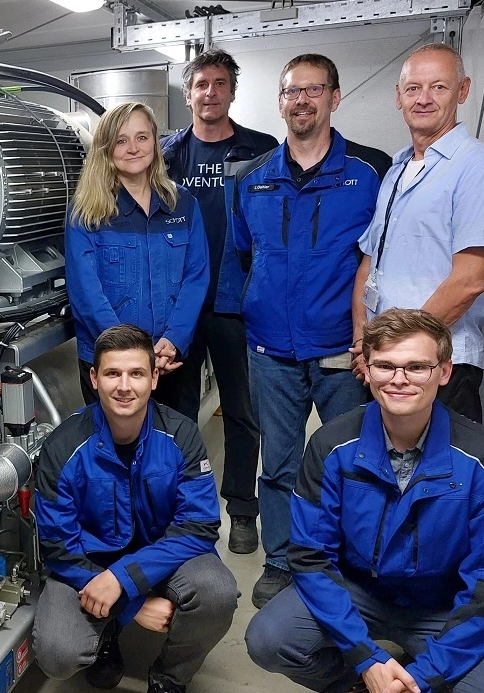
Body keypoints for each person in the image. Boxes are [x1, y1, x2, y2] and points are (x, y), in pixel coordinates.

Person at [245, 308, 484, 693]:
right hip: (359, 593)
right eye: (385, 365)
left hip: (444, 608)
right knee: (268, 639)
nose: (399, 378)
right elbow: (309, 556)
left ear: (444, 372)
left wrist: (424, 677)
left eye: (416, 366)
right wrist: (366, 661)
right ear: (364, 369)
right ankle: (348, 687)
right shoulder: (331, 447)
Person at [231, 54, 392, 607]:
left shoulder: (369, 173)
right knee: (277, 461)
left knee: (351, 463)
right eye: (290, 92)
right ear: (280, 102)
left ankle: (344, 562)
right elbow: (244, 253)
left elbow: (378, 259)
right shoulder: (253, 181)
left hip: (340, 352)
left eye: (312, 90)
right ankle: (279, 561)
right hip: (271, 350)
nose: (301, 101)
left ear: (334, 96)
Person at [33, 324, 238, 693]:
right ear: (93, 379)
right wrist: (131, 605)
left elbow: (199, 526)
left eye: (136, 374)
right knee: (57, 652)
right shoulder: (63, 447)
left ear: (154, 378)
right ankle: (104, 636)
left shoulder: (180, 435)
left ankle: (168, 682)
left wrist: (123, 581)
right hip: (87, 568)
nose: (124, 387)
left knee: (217, 592)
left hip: (165, 557)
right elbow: (58, 548)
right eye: (112, 374)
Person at [350, 44, 484, 425]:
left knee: (439, 479)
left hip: (440, 366)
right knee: (388, 477)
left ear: (463, 91)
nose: (423, 99)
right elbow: (369, 265)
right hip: (387, 365)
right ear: (398, 96)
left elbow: (469, 282)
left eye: (439, 87)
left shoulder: (480, 167)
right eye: (413, 89)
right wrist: (363, 341)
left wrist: (394, 349)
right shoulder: (396, 169)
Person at [162, 48, 279, 557]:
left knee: (241, 412)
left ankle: (242, 511)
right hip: (181, 306)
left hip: (237, 302)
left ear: (232, 90)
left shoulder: (262, 149)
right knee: (180, 410)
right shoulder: (167, 155)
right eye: (201, 84)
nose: (210, 92)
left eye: (219, 83)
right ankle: (187, 507)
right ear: (188, 94)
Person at [66, 101, 211, 418]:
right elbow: (86, 291)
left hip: (170, 359)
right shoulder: (87, 210)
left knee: (174, 450)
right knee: (113, 456)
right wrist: (133, 355)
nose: (133, 148)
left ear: (155, 143)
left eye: (142, 137)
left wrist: (173, 340)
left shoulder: (182, 203)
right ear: (106, 148)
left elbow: (196, 276)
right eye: (121, 140)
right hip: (111, 364)